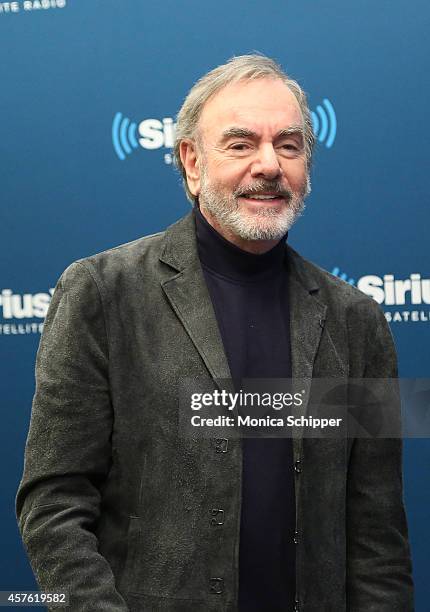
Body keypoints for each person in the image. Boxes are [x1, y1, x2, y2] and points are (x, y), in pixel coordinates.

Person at [16, 54, 413, 611]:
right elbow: (53, 502)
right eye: (241, 143)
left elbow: (377, 537)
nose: (269, 165)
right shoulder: (102, 292)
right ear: (192, 163)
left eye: (290, 145)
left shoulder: (358, 322)